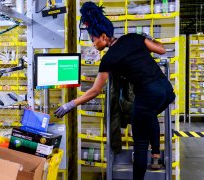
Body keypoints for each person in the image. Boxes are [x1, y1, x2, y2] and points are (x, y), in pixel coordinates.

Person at [54, 2, 176, 180]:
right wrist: (146, 38)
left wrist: (70, 104)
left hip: (148, 94)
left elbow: (95, 91)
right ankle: (156, 154)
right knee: (147, 118)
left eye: (93, 39)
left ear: (103, 36)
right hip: (166, 91)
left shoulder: (109, 59)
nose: (93, 44)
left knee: (140, 144)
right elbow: (162, 50)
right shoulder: (133, 37)